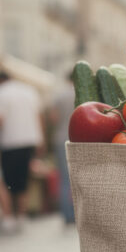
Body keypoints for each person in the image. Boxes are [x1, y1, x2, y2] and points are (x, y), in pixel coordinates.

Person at [0, 71, 43, 222]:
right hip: (29, 140)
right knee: (22, 179)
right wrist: (41, 140)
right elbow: (38, 116)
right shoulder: (29, 91)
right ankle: (22, 215)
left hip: (8, 141)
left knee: (7, 180)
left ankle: (8, 217)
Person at [50, 73, 76, 224]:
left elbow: (54, 118)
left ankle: (67, 215)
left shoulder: (60, 96)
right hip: (78, 139)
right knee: (78, 177)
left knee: (64, 179)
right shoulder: (81, 93)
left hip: (61, 138)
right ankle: (80, 213)